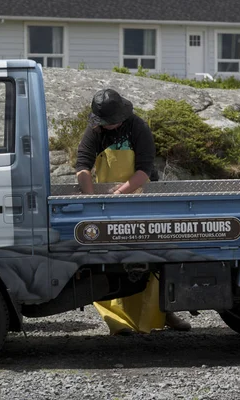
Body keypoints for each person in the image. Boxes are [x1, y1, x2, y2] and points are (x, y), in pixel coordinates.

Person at [75, 88, 192, 335]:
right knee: (109, 261)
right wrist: (91, 201)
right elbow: (83, 167)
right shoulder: (95, 130)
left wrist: (120, 194)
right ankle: (116, 320)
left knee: (150, 260)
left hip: (141, 197)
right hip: (106, 206)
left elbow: (144, 171)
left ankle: (163, 312)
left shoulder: (138, 127)